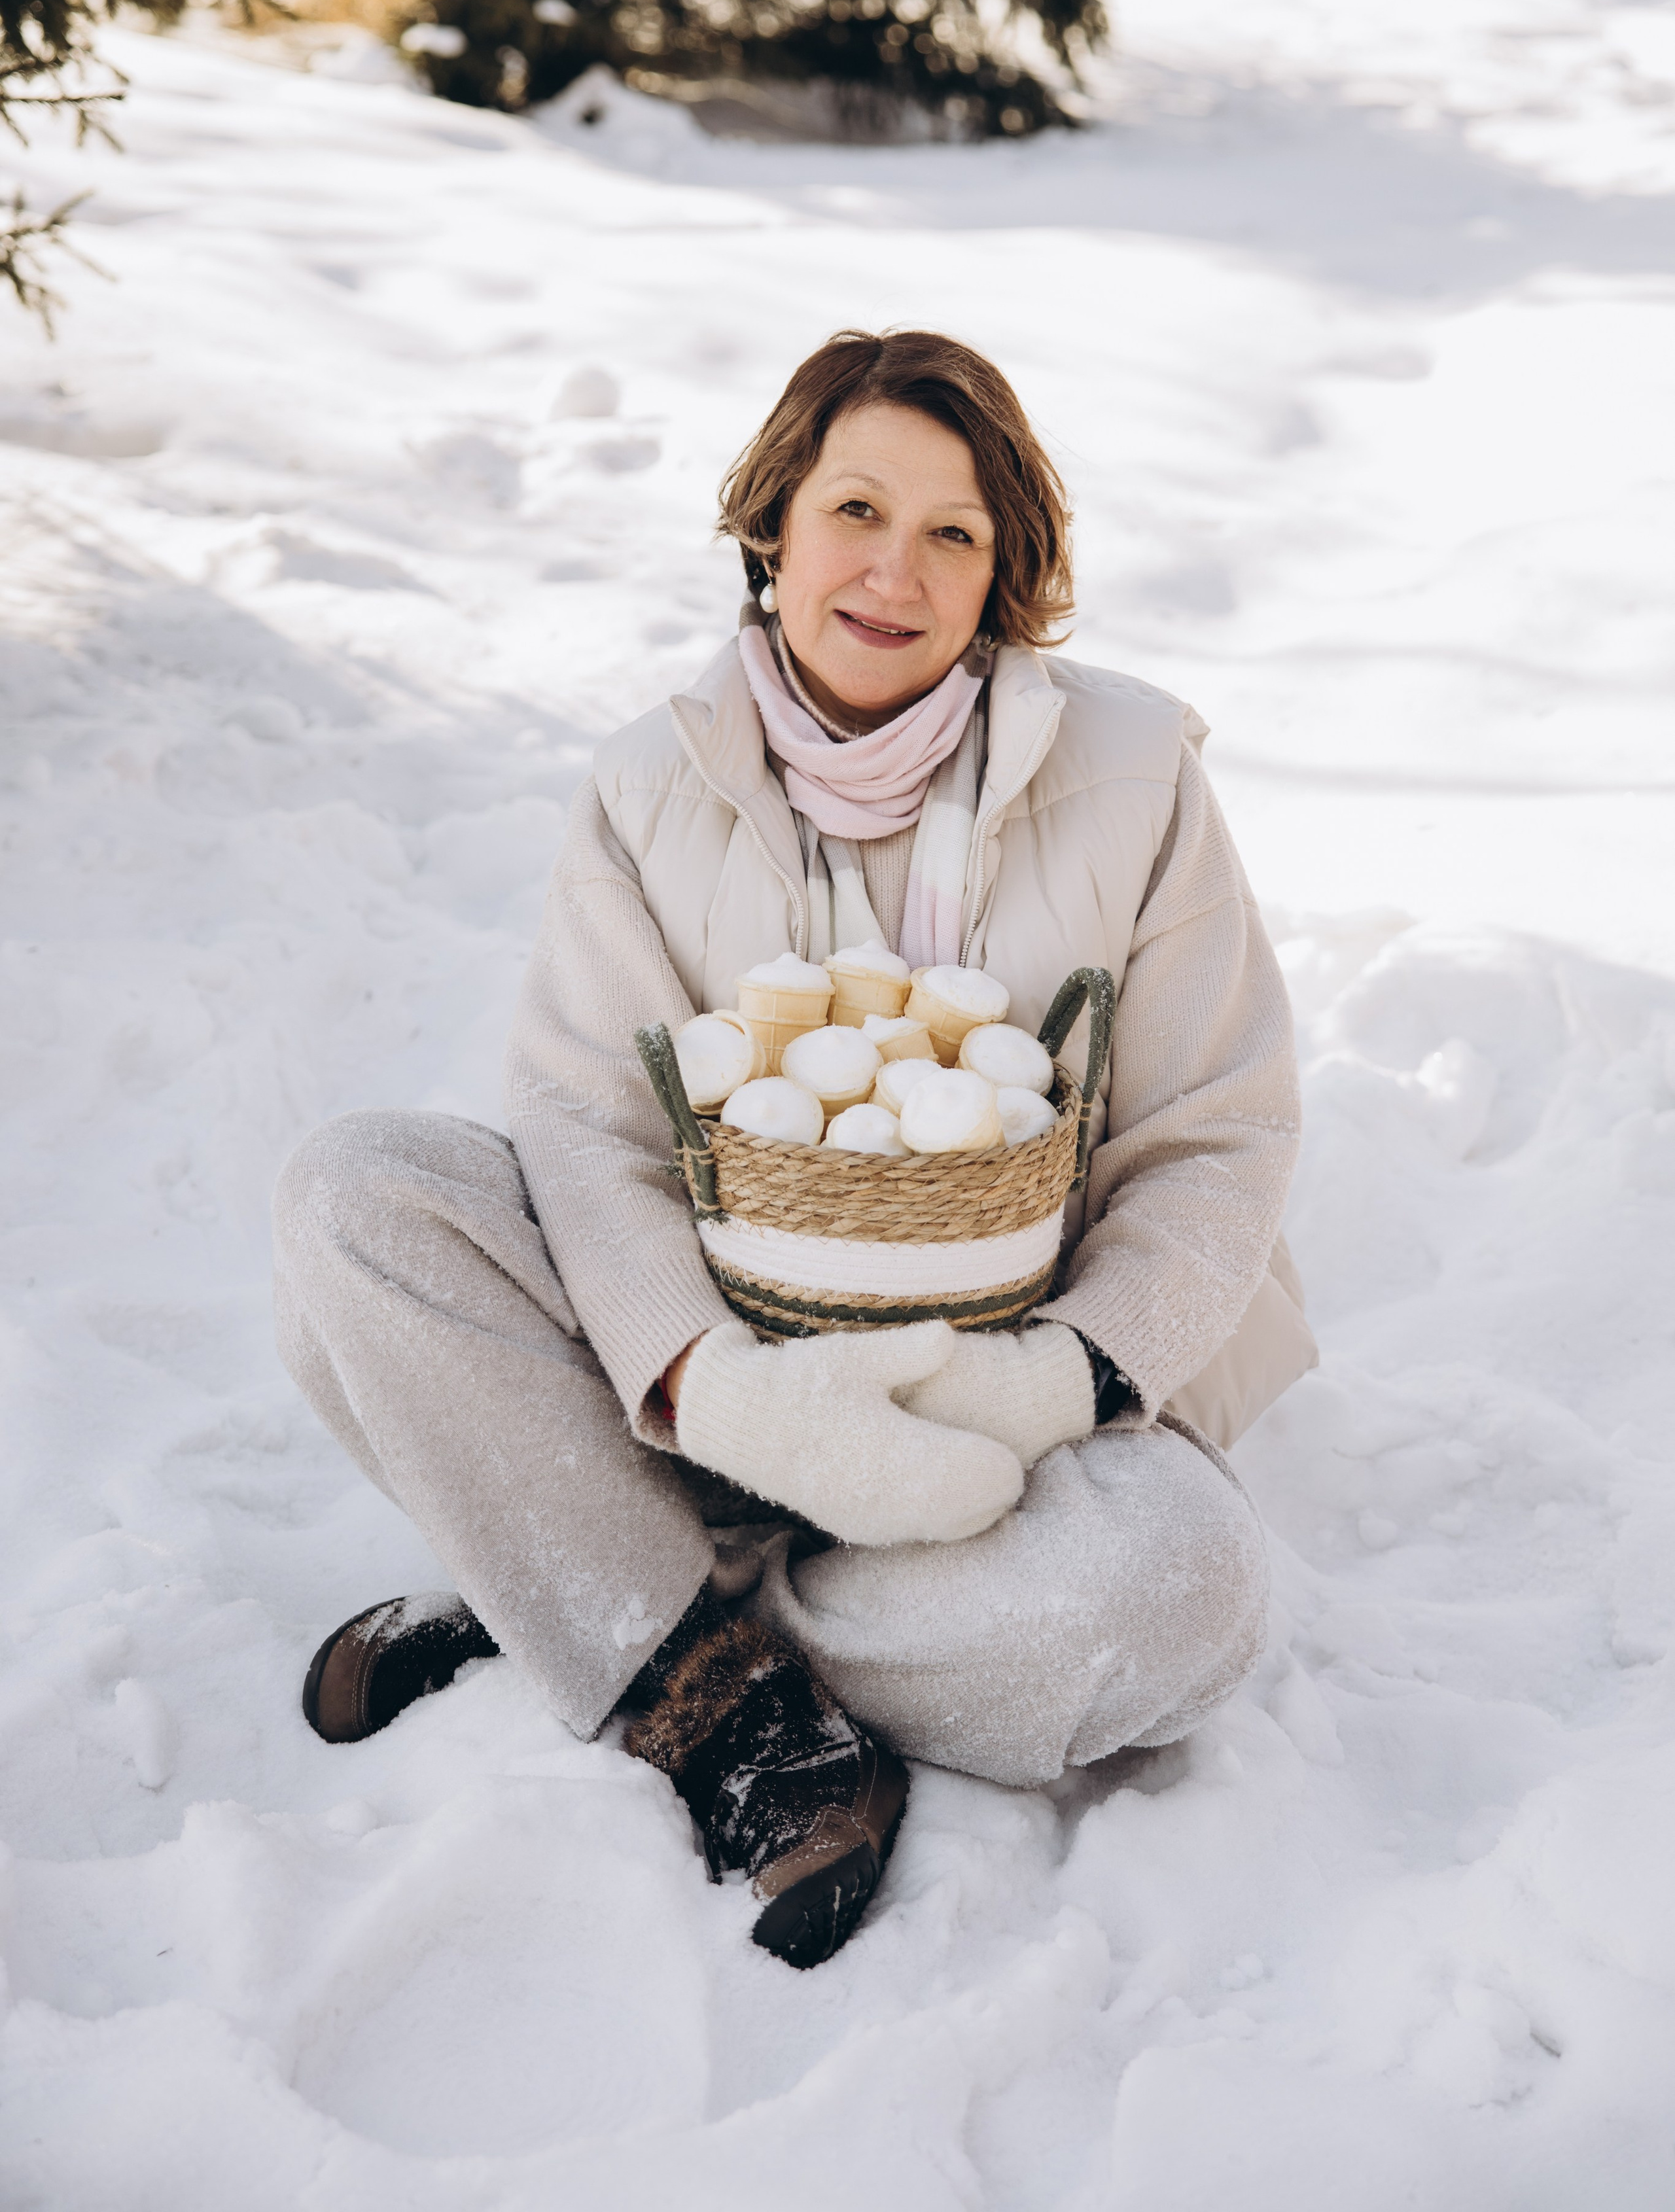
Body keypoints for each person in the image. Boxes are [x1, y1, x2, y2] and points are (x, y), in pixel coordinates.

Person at [273, 329, 1317, 1971]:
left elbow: (1216, 1137)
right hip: (707, 1395)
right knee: (361, 1202)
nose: (892, 570)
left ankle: (605, 1607)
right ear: (774, 523)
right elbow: (585, 1131)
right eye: (854, 509)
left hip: (994, 1446)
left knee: (1179, 1604)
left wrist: (1063, 1380)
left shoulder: (1133, 778)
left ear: (1005, 570)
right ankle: (703, 1671)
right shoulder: (647, 788)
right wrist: (714, 1384)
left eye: (954, 532)